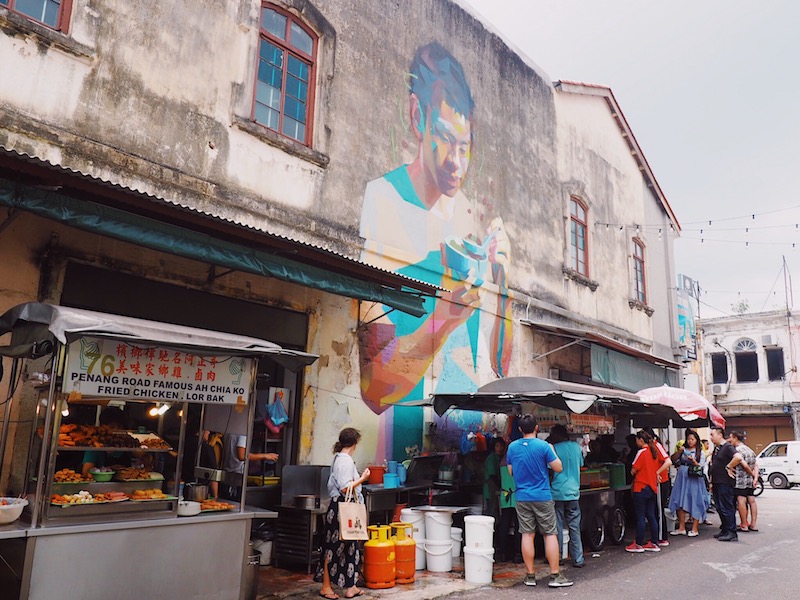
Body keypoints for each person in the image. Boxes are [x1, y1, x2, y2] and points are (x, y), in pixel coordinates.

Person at [358, 42, 513, 412]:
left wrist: (503, 283)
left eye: (465, 145)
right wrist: (444, 319)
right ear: (416, 117)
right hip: (398, 426)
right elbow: (374, 390)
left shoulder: (470, 218)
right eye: (445, 139)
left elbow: (500, 367)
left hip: (462, 419)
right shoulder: (383, 202)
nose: (456, 162)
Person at [506, 414, 573, 588]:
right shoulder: (544, 446)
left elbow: (511, 472)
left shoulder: (512, 447)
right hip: (542, 496)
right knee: (549, 534)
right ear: (537, 427)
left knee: (527, 534)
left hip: (522, 497)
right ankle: (555, 575)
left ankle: (529, 576)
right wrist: (551, 450)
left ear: (520, 429)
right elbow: (558, 467)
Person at [316, 428, 371, 600]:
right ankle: (326, 586)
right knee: (333, 547)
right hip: (343, 508)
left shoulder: (338, 458)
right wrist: (363, 478)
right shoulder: (345, 461)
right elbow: (345, 487)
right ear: (355, 443)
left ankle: (351, 586)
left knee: (350, 546)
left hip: (342, 507)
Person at [548, 424, 585, 568]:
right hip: (574, 492)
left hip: (557, 492)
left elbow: (550, 470)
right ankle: (578, 559)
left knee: (557, 527)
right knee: (574, 527)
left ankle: (557, 558)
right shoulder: (576, 447)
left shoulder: (555, 449)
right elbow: (581, 464)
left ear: (557, 435)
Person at [626, 430, 663, 553]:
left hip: (641, 487)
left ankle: (639, 543)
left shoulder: (641, 453)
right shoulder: (654, 452)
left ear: (641, 440)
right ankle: (654, 542)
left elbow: (633, 470)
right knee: (651, 515)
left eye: (637, 439)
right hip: (652, 487)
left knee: (640, 517)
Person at [668, 429, 709, 537]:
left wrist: (693, 461)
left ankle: (695, 528)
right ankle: (681, 527)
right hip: (682, 476)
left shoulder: (700, 452)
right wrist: (680, 452)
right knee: (679, 500)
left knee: (695, 501)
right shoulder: (683, 450)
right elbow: (672, 459)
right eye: (688, 439)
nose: (690, 441)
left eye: (692, 439)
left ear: (696, 440)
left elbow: (701, 466)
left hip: (694, 478)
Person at [220, 433, 278, 500]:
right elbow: (241, 456)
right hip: (236, 475)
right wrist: (265, 456)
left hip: (225, 474)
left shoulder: (230, 432)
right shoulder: (243, 434)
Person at [642, 427, 672, 546]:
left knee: (658, 511)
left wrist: (657, 472)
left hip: (661, 482)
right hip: (654, 482)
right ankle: (657, 536)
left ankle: (661, 537)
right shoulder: (649, 448)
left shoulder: (657, 445)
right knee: (654, 511)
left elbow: (668, 461)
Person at [709, 426, 738, 542]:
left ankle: (732, 531)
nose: (711, 437)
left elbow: (738, 457)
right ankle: (725, 529)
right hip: (716, 481)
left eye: (712, 435)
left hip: (725, 482)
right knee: (720, 507)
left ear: (720, 435)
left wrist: (729, 466)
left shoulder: (727, 447)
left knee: (726, 507)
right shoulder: (717, 449)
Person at [727, 430, 758, 532]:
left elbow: (744, 465)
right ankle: (753, 524)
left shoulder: (737, 451)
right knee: (752, 501)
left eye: (731, 437)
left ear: (735, 438)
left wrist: (750, 473)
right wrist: (754, 477)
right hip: (749, 481)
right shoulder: (749, 450)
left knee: (741, 501)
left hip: (740, 480)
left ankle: (744, 524)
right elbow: (756, 465)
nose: (729, 439)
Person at [484, 438, 505, 521]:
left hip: (496, 487)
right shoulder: (491, 458)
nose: (500, 448)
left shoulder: (500, 458)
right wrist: (499, 485)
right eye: (497, 446)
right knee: (492, 510)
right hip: (490, 488)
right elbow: (492, 475)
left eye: (501, 446)